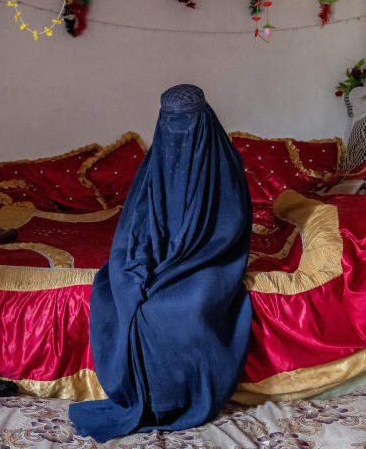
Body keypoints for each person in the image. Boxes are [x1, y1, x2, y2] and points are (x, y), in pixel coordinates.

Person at [69, 84, 253, 441]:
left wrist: (183, 261)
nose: (177, 132)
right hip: (156, 255)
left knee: (188, 305)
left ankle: (176, 399)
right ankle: (142, 394)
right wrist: (142, 261)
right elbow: (136, 226)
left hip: (209, 259)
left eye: (186, 123)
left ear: (204, 121)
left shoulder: (225, 162)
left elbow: (229, 230)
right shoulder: (155, 163)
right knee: (120, 291)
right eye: (170, 123)